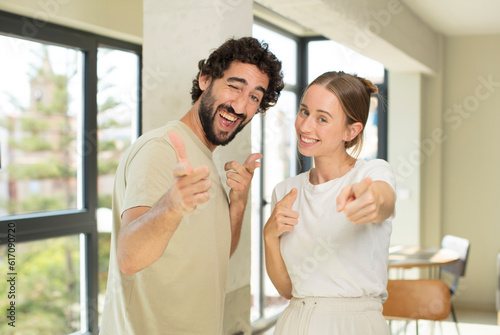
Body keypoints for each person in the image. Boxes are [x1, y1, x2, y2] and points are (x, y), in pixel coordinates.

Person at [100, 37, 284, 335]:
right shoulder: (162, 149)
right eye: (235, 86)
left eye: (254, 97)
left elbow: (216, 253)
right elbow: (129, 257)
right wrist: (172, 206)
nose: (240, 105)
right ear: (205, 79)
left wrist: (237, 203)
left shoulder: (204, 158)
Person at [264, 71, 396, 334]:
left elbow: (384, 200)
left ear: (352, 130)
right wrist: (269, 235)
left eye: (322, 118)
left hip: (355, 324)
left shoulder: (370, 174)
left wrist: (370, 199)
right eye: (304, 112)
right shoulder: (286, 191)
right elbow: (288, 289)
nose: (305, 126)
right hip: (295, 322)